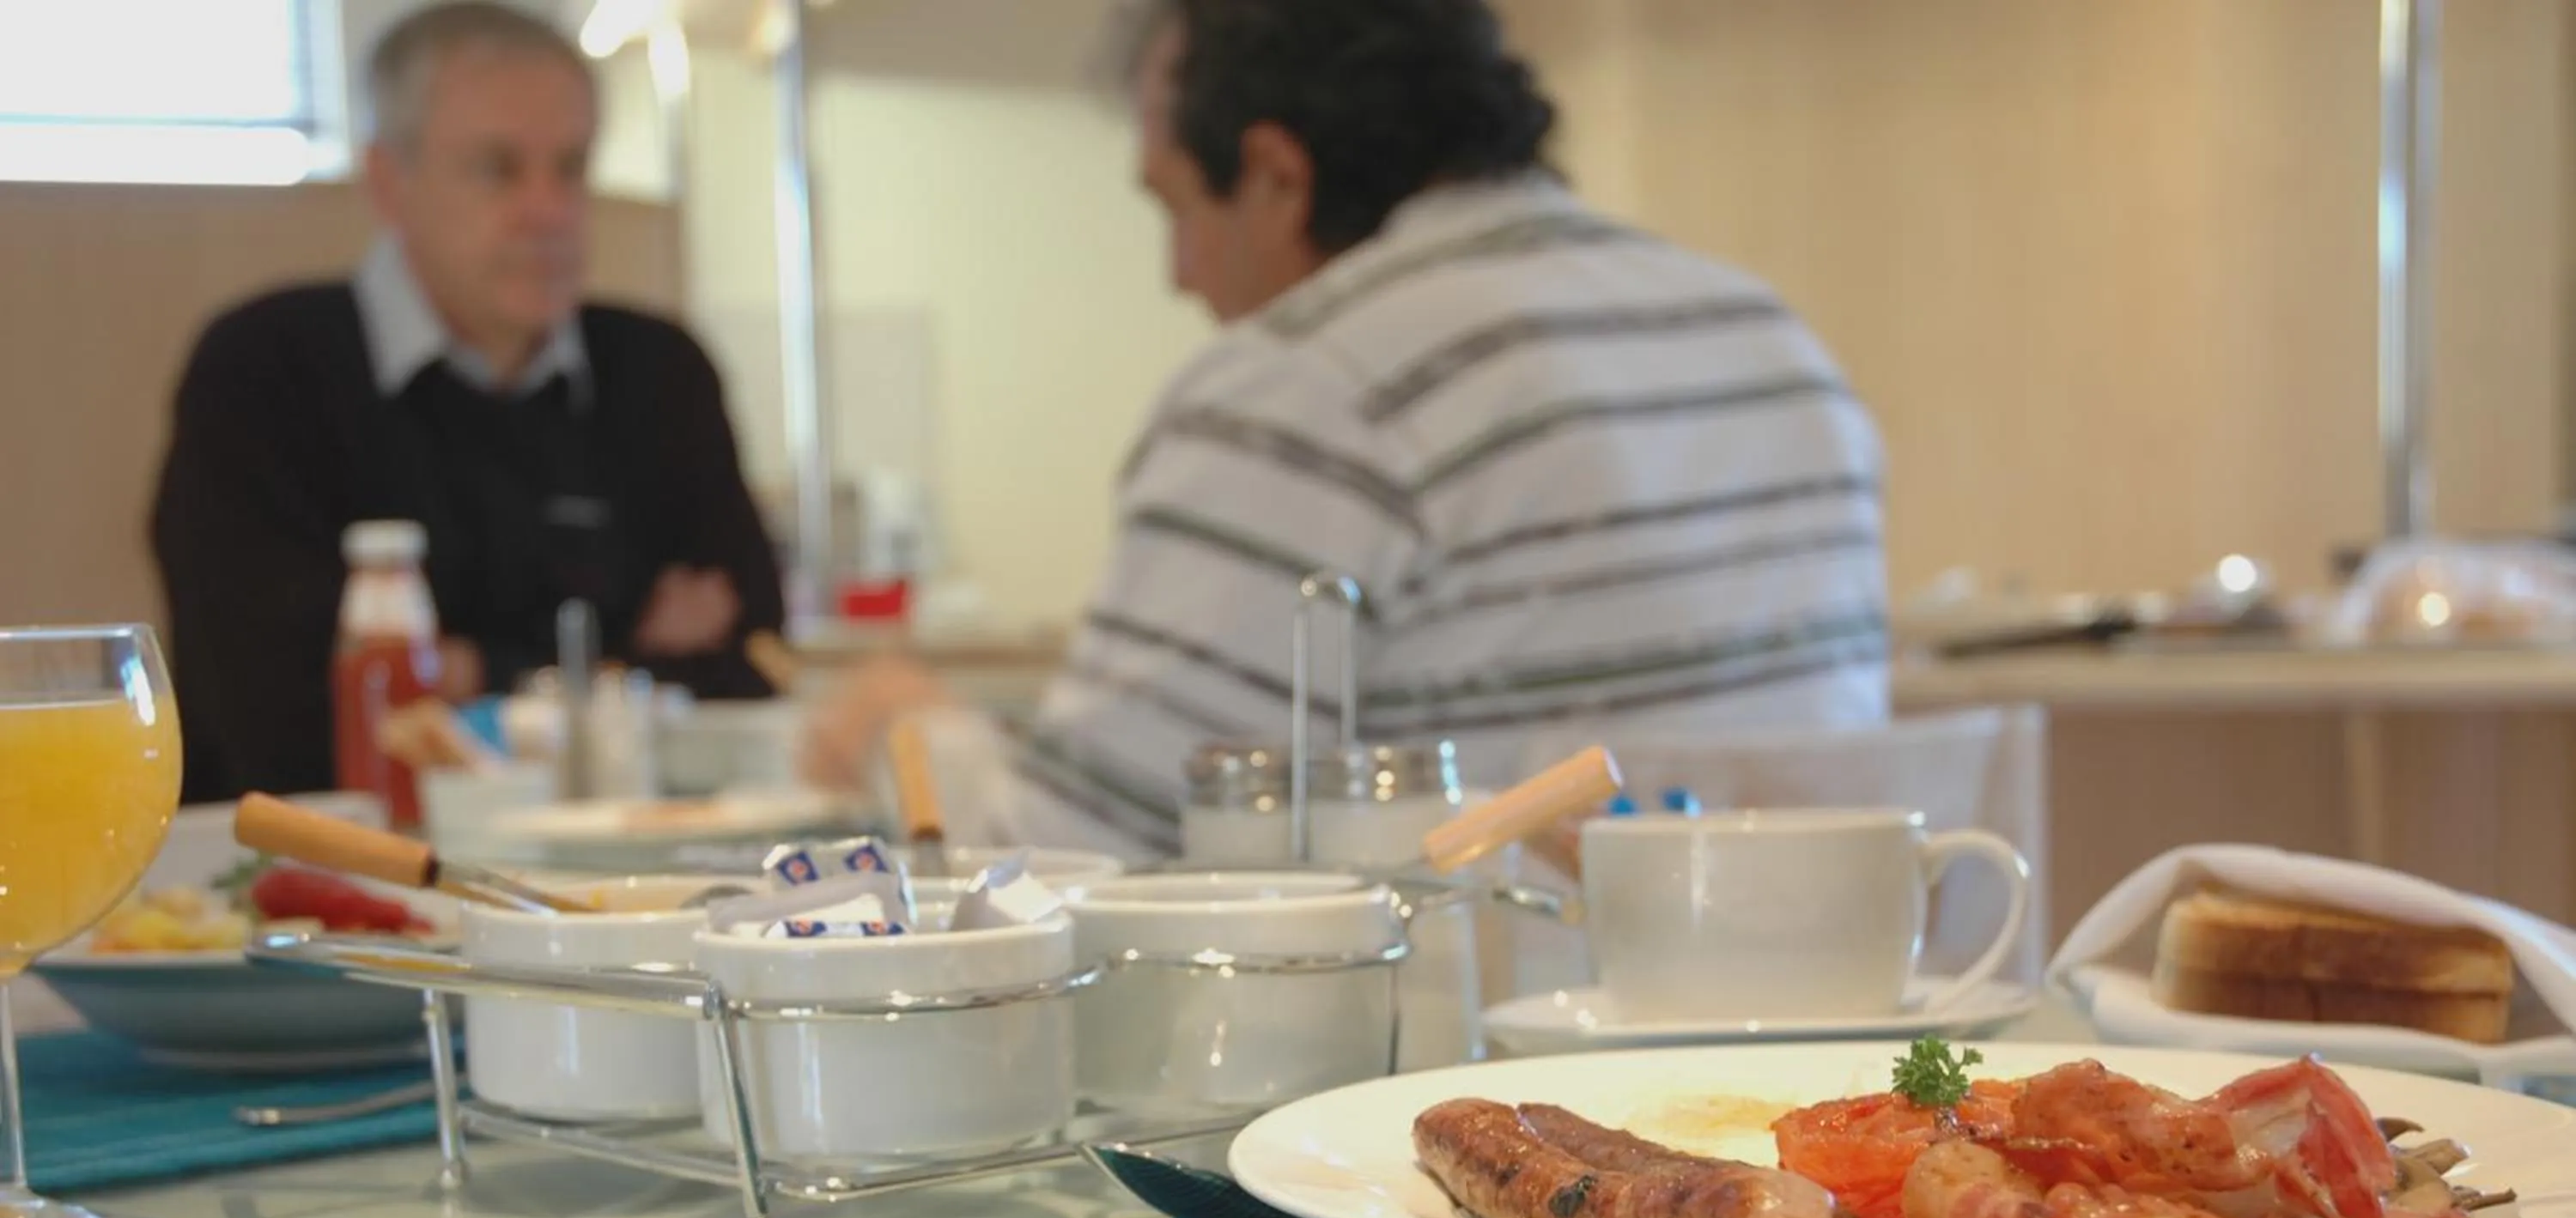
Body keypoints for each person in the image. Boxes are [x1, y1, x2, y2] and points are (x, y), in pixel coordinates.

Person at [804, 0, 1887, 857]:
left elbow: (1074, 860)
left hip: (1480, 1060)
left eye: (1175, 207)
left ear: (1278, 177)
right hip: (1825, 1056)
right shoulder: (1774, 340)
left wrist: (909, 736)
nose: (1178, 273)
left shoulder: (1310, 382)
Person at [151, 2, 782, 803]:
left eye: (571, 168)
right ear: (389, 181)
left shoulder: (661, 371)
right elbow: (280, 729)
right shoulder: (264, 372)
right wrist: (623, 669)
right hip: (329, 869)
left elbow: (751, 670)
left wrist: (462, 674)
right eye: (498, 169)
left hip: (633, 858)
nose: (549, 210)